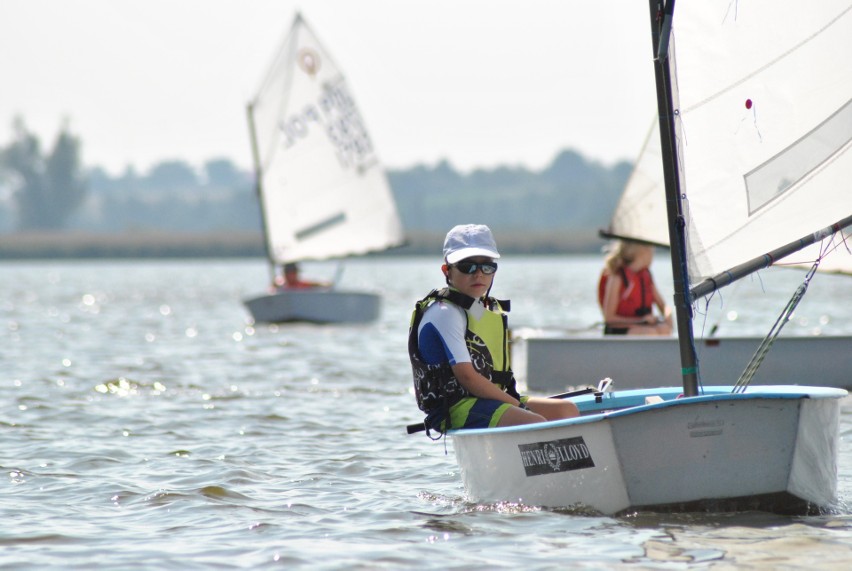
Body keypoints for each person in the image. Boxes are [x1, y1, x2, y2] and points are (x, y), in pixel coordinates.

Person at [408, 224, 579, 435]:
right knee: (535, 421)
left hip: (486, 400)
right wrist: (518, 406)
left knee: (566, 410)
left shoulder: (477, 308)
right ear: (447, 270)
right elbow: (467, 378)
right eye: (467, 266)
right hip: (455, 407)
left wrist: (515, 404)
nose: (478, 274)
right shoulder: (445, 313)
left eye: (487, 266)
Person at [598, 240, 673, 335]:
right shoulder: (617, 277)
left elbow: (663, 306)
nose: (652, 255)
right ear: (643, 252)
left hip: (641, 326)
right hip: (618, 330)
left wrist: (668, 315)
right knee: (649, 333)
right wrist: (640, 320)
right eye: (651, 251)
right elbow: (609, 318)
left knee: (664, 329)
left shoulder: (645, 276)